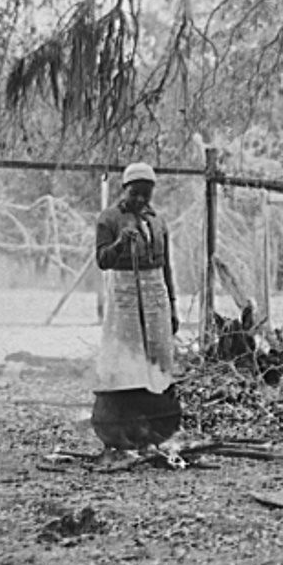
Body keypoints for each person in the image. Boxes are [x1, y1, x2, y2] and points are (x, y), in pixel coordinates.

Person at [94, 162, 178, 394]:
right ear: (124, 189)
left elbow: (166, 267)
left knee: (159, 350)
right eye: (135, 193)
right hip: (125, 295)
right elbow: (102, 260)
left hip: (155, 296)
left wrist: (172, 307)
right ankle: (126, 404)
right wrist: (119, 244)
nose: (141, 199)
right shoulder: (109, 219)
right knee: (127, 351)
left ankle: (157, 401)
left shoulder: (158, 221)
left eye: (146, 193)